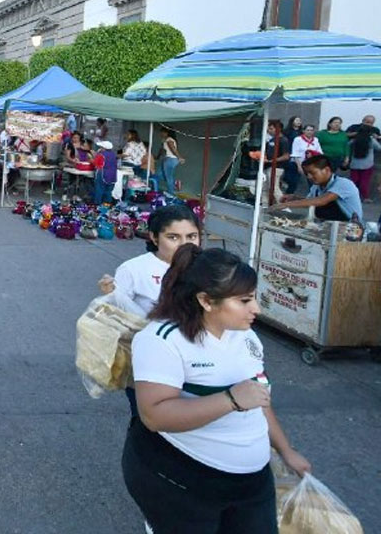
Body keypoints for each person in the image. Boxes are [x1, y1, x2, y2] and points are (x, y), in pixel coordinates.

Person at [123, 245, 311, 533]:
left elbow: (258, 398)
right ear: (206, 301)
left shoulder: (246, 337)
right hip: (183, 481)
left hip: (253, 483)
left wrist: (286, 450)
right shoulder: (162, 339)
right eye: (245, 300)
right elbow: (154, 415)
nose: (256, 309)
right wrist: (230, 399)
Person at [98, 205, 202, 418]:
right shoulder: (135, 269)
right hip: (149, 364)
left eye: (192, 236)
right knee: (149, 422)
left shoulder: (207, 267)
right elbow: (118, 319)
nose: (184, 245)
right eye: (173, 237)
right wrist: (112, 296)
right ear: (154, 238)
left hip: (196, 363)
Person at [270, 154, 364, 222]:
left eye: (313, 173)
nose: (309, 177)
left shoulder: (343, 184)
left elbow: (321, 201)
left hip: (350, 229)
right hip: (327, 225)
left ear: (327, 170)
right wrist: (294, 197)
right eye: (307, 174)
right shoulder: (316, 187)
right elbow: (310, 201)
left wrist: (286, 205)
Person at [348, 124, 380, 202]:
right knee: (364, 181)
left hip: (354, 164)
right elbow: (379, 148)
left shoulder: (354, 140)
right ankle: (365, 197)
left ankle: (351, 196)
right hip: (367, 164)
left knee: (354, 181)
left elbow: (347, 145)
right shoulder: (371, 140)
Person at [158, 127, 183, 195]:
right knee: (159, 174)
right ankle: (175, 182)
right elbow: (162, 150)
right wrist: (158, 156)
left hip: (170, 159)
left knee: (169, 177)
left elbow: (173, 149)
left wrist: (179, 157)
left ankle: (171, 193)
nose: (161, 133)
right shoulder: (165, 140)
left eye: (162, 132)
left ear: (167, 133)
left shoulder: (169, 139)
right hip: (168, 159)